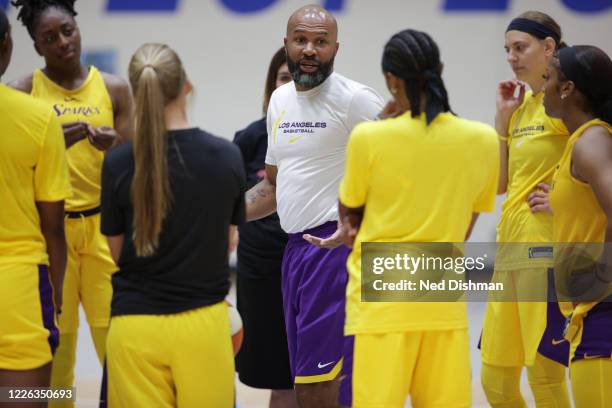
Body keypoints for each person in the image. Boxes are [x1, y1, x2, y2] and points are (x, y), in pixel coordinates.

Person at [337, 28, 499, 408]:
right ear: (440, 69)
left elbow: (349, 210)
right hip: (442, 291)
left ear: (391, 80)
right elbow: (467, 221)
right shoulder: (482, 139)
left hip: (382, 296)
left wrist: (382, 117)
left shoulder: (369, 137)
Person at [245, 5, 384, 407]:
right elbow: (272, 187)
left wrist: (360, 221)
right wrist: (219, 211)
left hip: (336, 251)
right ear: (285, 44)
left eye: (320, 42)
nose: (309, 49)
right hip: (295, 252)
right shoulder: (280, 101)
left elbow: (402, 164)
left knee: (320, 382)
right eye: (301, 40)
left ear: (335, 48)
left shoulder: (355, 99)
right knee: (305, 378)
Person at [100, 43, 245, 408]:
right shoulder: (226, 156)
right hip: (203, 328)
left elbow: (116, 254)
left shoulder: (117, 164)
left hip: (134, 329)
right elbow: (229, 242)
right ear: (186, 87)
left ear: (137, 93)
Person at [9, 0, 133, 402]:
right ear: (36, 46)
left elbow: (140, 160)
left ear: (78, 27)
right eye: (50, 38)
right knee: (56, 348)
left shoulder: (114, 88)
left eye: (67, 30)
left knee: (115, 345)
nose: (63, 42)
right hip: (50, 233)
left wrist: (116, 144)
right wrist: (49, 145)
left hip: (102, 230)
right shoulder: (23, 92)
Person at [480, 11, 572, 407]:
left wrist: (564, 196)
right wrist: (502, 120)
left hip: (546, 253)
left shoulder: (569, 101)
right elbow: (500, 185)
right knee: (494, 381)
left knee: (544, 377)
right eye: (507, 50)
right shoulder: (524, 107)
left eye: (521, 47)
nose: (512, 57)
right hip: (509, 253)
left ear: (548, 47)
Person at [0, 6, 72, 401]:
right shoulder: (38, 118)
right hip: (20, 289)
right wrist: (57, 296)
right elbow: (53, 227)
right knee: (26, 399)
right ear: (7, 43)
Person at [536, 44, 612, 408]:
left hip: (602, 316)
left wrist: (602, 277)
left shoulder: (593, 142)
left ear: (567, 89)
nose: (542, 84)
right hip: (585, 316)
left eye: (547, 78)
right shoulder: (579, 142)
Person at [233, 46, 297, 408]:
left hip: (311, 263)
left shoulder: (331, 137)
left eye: (296, 79)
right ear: (272, 85)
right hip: (261, 272)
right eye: (283, 78)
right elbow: (233, 203)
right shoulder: (249, 138)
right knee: (280, 378)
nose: (289, 87)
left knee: (320, 374)